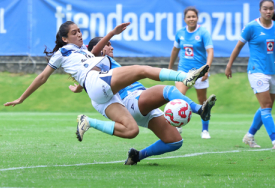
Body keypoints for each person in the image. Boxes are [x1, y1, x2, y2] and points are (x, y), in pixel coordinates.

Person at [4, 21, 209, 149]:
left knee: (131, 131)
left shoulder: (81, 50)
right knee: (141, 69)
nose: (80, 34)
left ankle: (88, 122)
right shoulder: (62, 53)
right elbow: (42, 78)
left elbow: (92, 54)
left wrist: (110, 34)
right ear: (65, 38)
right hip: (96, 83)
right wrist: (21, 98)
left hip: (101, 95)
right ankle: (185, 77)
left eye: (80, 31)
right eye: (74, 32)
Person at [70, 36, 216, 165]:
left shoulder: (105, 65)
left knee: (174, 141)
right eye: (107, 44)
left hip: (139, 105)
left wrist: (80, 87)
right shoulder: (98, 60)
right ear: (100, 48)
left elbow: (87, 81)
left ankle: (137, 156)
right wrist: (112, 33)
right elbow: (92, 56)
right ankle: (199, 109)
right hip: (130, 101)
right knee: (168, 90)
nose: (111, 46)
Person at [225, 0, 275, 149]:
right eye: (265, 9)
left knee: (267, 106)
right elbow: (238, 47)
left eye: (271, 9)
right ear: (260, 10)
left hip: (272, 71)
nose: (268, 11)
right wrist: (229, 65)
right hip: (256, 71)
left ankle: (249, 136)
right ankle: (274, 140)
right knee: (266, 106)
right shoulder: (251, 27)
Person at [168, 7, 214, 139]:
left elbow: (210, 51)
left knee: (202, 101)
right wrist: (170, 67)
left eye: (193, 16)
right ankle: (178, 124)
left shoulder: (203, 32)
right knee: (178, 97)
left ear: (197, 18)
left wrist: (207, 68)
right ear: (184, 19)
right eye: (189, 17)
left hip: (200, 72)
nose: (191, 19)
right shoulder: (180, 33)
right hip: (183, 71)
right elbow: (175, 50)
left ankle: (205, 130)